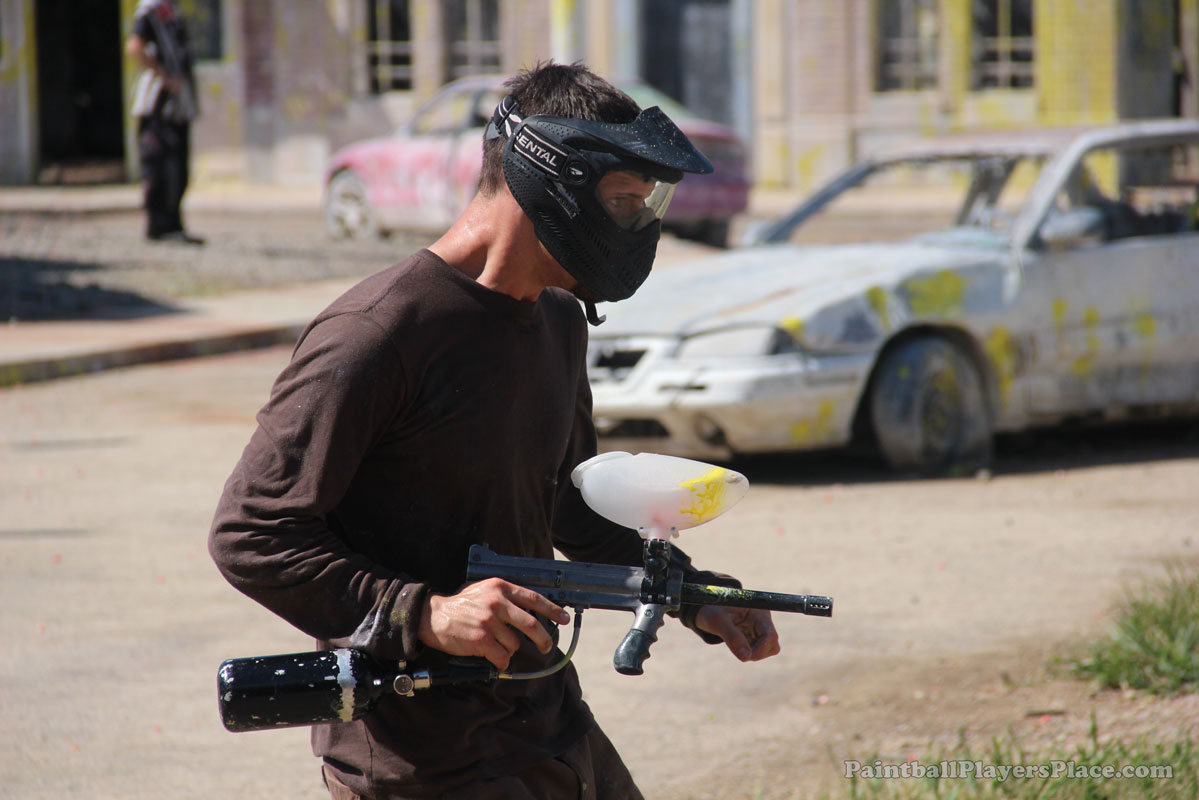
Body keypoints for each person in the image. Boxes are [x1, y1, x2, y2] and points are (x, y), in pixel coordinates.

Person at [209, 61, 780, 800]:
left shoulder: (558, 320)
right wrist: (427, 614)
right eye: (621, 202)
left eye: (644, 206)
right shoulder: (376, 336)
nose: (636, 227)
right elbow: (250, 532)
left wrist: (695, 594)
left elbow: (573, 506)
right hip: (424, 761)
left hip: (548, 723)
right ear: (549, 178)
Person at [125, 0, 202, 244]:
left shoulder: (173, 9)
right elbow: (135, 46)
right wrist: (163, 75)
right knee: (159, 167)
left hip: (179, 108)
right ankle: (158, 226)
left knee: (179, 168)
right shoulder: (152, 8)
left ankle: (173, 224)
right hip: (159, 107)